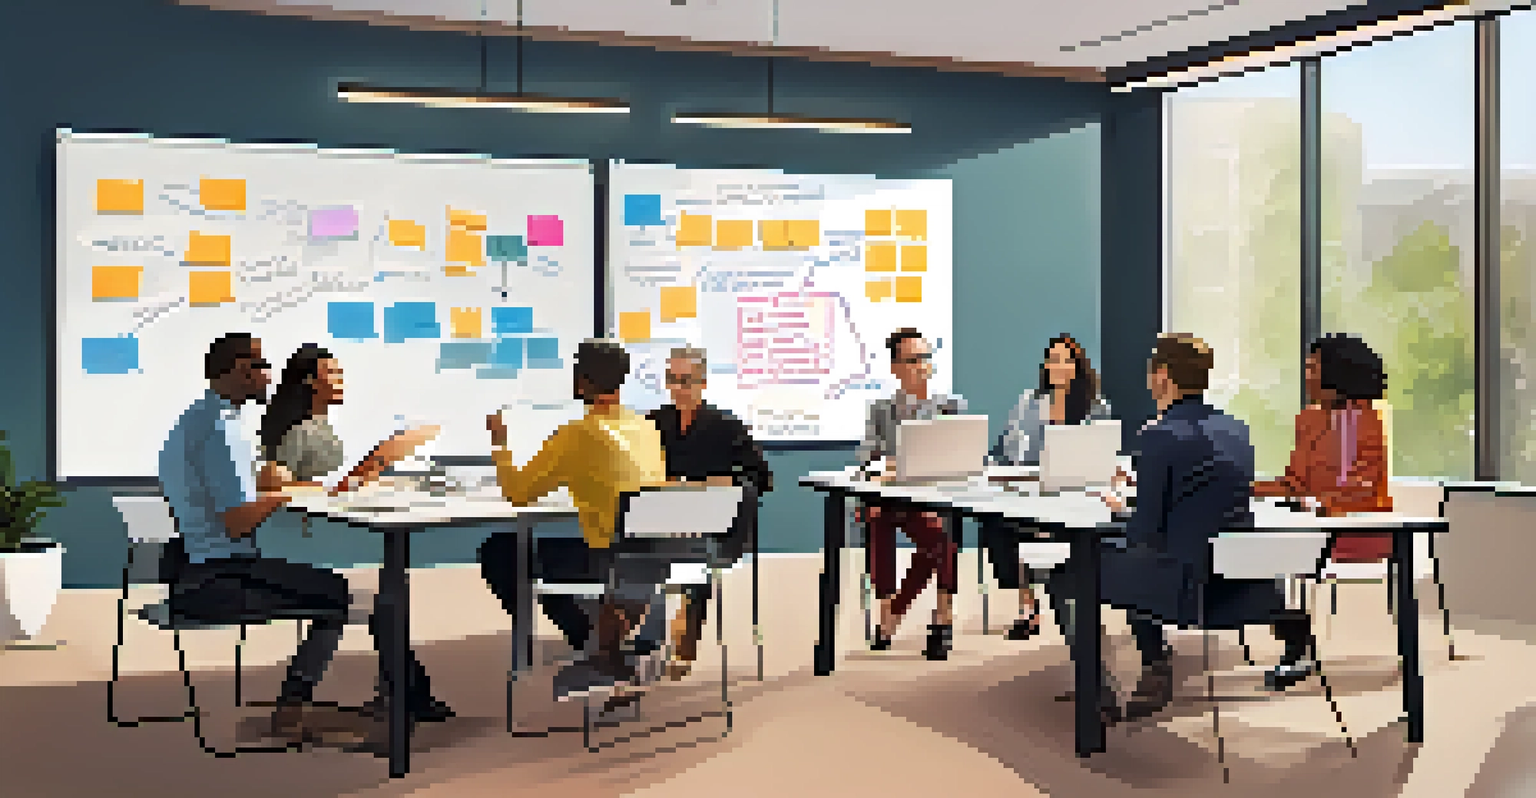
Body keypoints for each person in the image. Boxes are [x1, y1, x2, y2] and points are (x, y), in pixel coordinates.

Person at [1069, 334, 1314, 723]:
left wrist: (1121, 509)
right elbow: (1201, 499)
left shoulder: (1158, 435)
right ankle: (1153, 669)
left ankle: (1106, 692)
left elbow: (1144, 532)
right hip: (1242, 586)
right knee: (1144, 554)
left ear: (1163, 376)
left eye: (1151, 373)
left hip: (1185, 591)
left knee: (1072, 572)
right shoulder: (1237, 430)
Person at [156, 335, 374, 747]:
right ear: (241, 370)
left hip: (190, 569)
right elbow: (238, 522)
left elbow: (234, 499)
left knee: (324, 584)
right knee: (338, 593)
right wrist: (284, 493)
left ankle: (307, 706)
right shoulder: (224, 431)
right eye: (262, 366)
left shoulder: (197, 418)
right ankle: (292, 709)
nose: (271, 376)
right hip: (216, 581)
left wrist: (281, 488)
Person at [256, 344, 451, 723]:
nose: (342, 381)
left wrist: (365, 476)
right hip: (304, 537)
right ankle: (394, 694)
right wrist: (365, 471)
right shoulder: (299, 431)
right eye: (334, 373)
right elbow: (277, 484)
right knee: (378, 603)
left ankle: (402, 692)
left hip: (318, 528)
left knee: (385, 602)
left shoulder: (318, 425)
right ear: (311, 381)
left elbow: (322, 484)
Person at [477, 340, 669, 700]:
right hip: (649, 561)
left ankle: (589, 641)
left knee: (501, 550)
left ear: (581, 383)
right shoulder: (647, 428)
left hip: (605, 561)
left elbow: (519, 493)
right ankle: (602, 639)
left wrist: (500, 443)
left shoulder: (576, 434)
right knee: (549, 554)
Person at [1252, 333, 1392, 689]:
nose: (1307, 375)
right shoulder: (1308, 420)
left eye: (1313, 367)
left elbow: (1361, 491)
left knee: (1264, 554)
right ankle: (1295, 634)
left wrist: (1314, 504)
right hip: (1310, 527)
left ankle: (1295, 641)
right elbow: (1294, 482)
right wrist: (1244, 487)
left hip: (1358, 530)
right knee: (1245, 549)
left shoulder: (1366, 419)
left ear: (1337, 372)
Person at [639, 346, 772, 679]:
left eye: (686, 380)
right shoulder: (652, 423)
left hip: (713, 524)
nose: (678, 388)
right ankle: (647, 639)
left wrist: (728, 481)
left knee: (697, 550)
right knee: (632, 552)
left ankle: (684, 642)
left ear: (703, 383)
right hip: (662, 520)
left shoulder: (726, 426)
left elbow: (762, 478)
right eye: (672, 380)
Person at [980, 334, 1112, 640]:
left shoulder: (1095, 407)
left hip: (1075, 494)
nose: (1057, 366)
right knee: (997, 525)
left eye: (1065, 360)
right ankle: (1027, 607)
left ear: (1078, 367)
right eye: (1052, 360)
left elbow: (1102, 455)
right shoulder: (1029, 403)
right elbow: (1004, 450)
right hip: (1031, 492)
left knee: (1061, 535)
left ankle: (1074, 605)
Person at [857, 327, 966, 661]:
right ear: (896, 367)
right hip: (891, 498)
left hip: (932, 498)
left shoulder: (950, 406)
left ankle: (934, 617)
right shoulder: (880, 409)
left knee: (941, 538)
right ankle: (888, 606)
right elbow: (868, 456)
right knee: (876, 517)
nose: (922, 366)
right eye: (913, 359)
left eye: (926, 358)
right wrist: (889, 465)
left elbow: (960, 454)